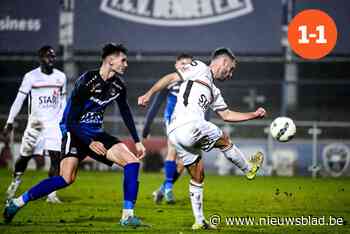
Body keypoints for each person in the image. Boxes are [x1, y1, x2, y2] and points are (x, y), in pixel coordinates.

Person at [3, 43, 146, 227]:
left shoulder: (118, 85)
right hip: (75, 131)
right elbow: (70, 121)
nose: (126, 64)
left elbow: (125, 112)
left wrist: (137, 141)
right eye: (123, 60)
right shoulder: (86, 81)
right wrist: (89, 142)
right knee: (66, 178)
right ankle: (16, 202)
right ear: (110, 60)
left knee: (132, 162)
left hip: (96, 133)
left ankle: (127, 216)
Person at [138, 48, 266, 230]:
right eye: (230, 69)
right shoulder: (199, 67)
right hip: (189, 124)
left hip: (176, 133)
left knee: (198, 174)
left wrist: (253, 114)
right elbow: (171, 78)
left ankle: (199, 221)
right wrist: (148, 94)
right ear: (223, 62)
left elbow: (227, 115)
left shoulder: (214, 91)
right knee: (224, 140)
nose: (230, 74)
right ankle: (249, 169)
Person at [3, 45, 67, 203]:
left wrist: (64, 121)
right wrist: (10, 121)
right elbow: (20, 100)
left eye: (53, 56)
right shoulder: (31, 77)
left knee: (55, 158)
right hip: (35, 125)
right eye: (47, 56)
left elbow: (63, 101)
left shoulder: (61, 77)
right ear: (40, 58)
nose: (51, 59)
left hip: (53, 124)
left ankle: (52, 194)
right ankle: (16, 181)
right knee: (24, 157)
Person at [142, 53, 192, 204]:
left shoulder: (195, 83)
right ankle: (168, 190)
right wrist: (146, 127)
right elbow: (155, 105)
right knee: (172, 150)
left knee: (184, 162)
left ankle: (163, 189)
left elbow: (205, 106)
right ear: (176, 65)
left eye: (189, 64)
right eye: (182, 63)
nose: (185, 66)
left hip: (190, 124)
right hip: (173, 121)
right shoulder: (170, 82)